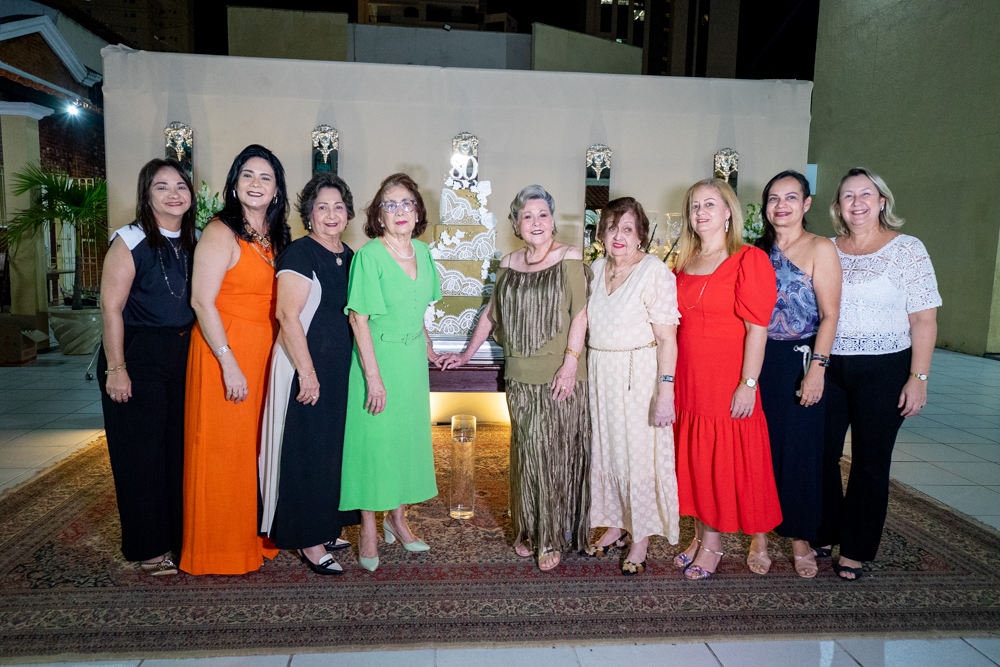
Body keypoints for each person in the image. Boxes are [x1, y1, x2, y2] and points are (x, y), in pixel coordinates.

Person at [438, 185, 590, 573]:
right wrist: (465, 354)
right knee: (526, 452)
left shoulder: (570, 256)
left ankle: (551, 536)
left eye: (543, 214)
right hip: (520, 375)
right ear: (516, 224)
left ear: (553, 220)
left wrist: (570, 364)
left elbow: (581, 313)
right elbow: (491, 314)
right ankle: (529, 527)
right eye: (527, 216)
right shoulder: (508, 262)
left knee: (551, 455)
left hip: (560, 375)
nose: (536, 222)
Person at [814, 168, 941, 581]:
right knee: (821, 454)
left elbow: (924, 319)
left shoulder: (908, 250)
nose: (857, 203)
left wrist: (918, 378)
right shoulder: (827, 248)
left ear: (882, 201)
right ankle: (824, 530)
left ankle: (855, 548)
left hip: (885, 368)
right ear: (838, 206)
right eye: (848, 196)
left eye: (865, 194)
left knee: (870, 461)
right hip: (830, 366)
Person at [181, 145, 291, 575]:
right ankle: (219, 549)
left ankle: (253, 537)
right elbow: (201, 301)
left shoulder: (276, 237)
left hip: (264, 352)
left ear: (277, 189)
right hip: (223, 352)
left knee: (254, 450)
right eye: (247, 175)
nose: (256, 184)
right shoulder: (219, 232)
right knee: (224, 450)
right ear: (234, 184)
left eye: (265, 177)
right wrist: (228, 361)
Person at [671, 178, 781, 580]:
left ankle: (714, 546)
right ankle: (701, 536)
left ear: (728, 212)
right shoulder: (683, 262)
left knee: (723, 462)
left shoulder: (748, 258)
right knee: (696, 462)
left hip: (727, 377)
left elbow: (757, 330)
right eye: (695, 206)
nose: (701, 212)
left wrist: (748, 384)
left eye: (710, 204)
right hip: (689, 379)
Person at [98, 158, 198, 575]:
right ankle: (148, 548)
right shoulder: (130, 239)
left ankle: (176, 537)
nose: (174, 194)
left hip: (183, 353)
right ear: (146, 194)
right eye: (162, 186)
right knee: (141, 456)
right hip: (137, 354)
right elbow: (111, 307)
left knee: (177, 451)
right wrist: (116, 367)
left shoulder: (194, 239)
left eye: (180, 186)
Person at [259, 173, 361, 575]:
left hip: (339, 370)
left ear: (348, 213)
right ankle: (308, 539)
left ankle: (326, 525)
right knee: (305, 452)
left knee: (331, 451)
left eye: (338, 207)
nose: (331, 214)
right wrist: (307, 373)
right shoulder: (300, 253)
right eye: (322, 207)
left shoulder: (350, 256)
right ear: (309, 214)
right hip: (304, 369)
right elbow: (287, 316)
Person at [340, 173, 442, 572]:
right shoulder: (369, 256)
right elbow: (358, 319)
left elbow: (418, 308)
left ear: (417, 212)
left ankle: (397, 520)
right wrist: (374, 378)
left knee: (405, 442)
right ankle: (368, 528)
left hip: (412, 361)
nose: (400, 211)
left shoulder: (423, 251)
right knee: (375, 445)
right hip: (377, 360)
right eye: (390, 204)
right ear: (378, 216)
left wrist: (427, 343)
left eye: (407, 203)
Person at [583, 197, 680, 576]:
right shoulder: (595, 269)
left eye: (627, 228)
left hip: (638, 379)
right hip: (601, 377)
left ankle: (640, 537)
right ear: (601, 234)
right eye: (611, 228)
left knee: (638, 456)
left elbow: (668, 339)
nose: (618, 236)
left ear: (641, 235)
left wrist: (665, 391)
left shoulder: (654, 272)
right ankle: (616, 525)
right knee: (608, 453)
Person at [755, 170, 842, 578]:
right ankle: (758, 535)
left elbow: (830, 314)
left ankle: (800, 538)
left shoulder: (820, 248)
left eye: (791, 197)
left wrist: (817, 370)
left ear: (806, 204)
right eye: (774, 198)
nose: (781, 205)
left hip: (801, 360)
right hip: (757, 360)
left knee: (799, 453)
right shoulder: (755, 251)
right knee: (758, 450)